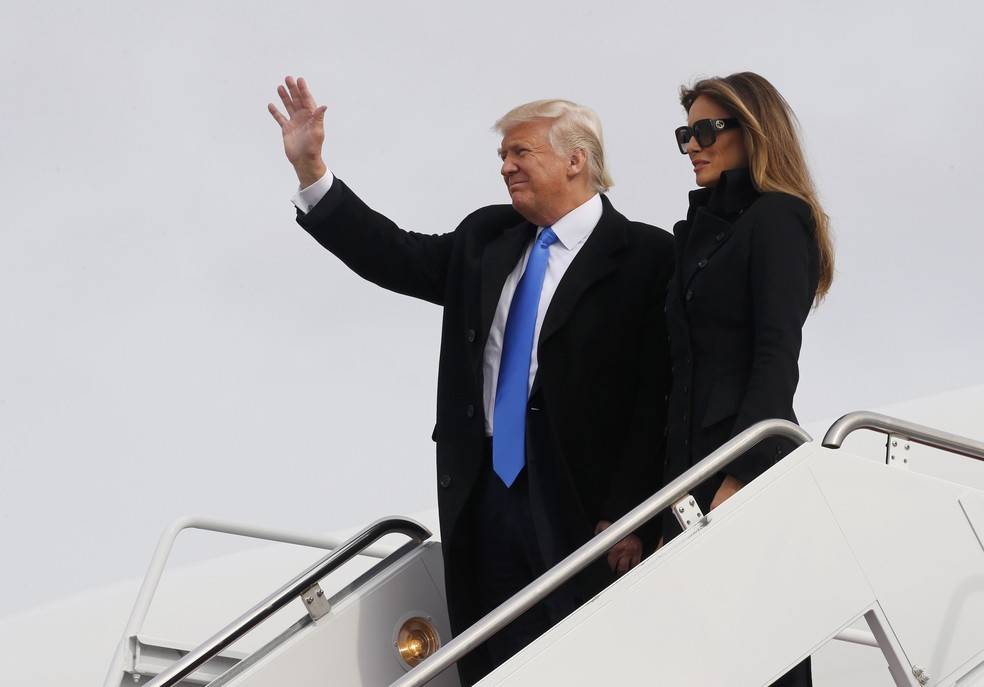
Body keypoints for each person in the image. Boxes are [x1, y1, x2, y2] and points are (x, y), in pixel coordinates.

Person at [268, 76, 673, 685]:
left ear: (575, 158)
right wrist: (312, 169)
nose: (506, 167)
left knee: (582, 659)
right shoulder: (487, 239)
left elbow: (654, 396)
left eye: (520, 152)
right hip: (484, 492)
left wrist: (630, 512)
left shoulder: (646, 255)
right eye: (502, 157)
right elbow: (394, 254)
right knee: (492, 658)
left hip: (581, 502)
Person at [664, 72, 834, 686]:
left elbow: (775, 359)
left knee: (759, 655)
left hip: (741, 470)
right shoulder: (697, 237)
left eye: (707, 130)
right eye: (685, 133)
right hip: (682, 479)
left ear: (753, 130)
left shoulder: (780, 219)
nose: (693, 146)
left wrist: (739, 476)